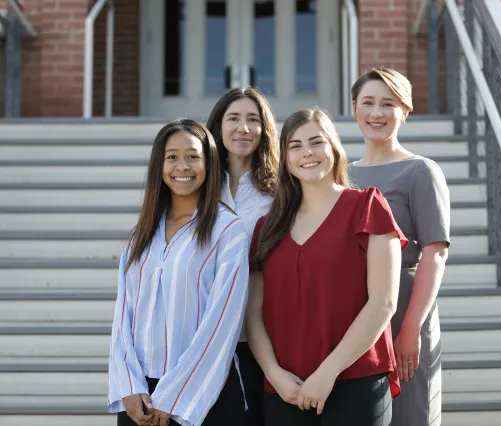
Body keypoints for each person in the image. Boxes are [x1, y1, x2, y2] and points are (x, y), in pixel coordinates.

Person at [246, 108, 408, 426]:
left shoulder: (367, 206)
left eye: (316, 142)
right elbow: (252, 314)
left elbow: (383, 303)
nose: (307, 152)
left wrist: (327, 372)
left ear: (333, 147)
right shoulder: (267, 227)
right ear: (285, 159)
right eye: (295, 145)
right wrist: (273, 374)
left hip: (356, 380)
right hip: (285, 388)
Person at [107, 118, 249, 426]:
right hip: (140, 398)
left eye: (193, 156)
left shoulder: (228, 230)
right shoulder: (141, 235)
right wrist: (128, 386)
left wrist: (175, 394)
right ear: (159, 165)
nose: (181, 166)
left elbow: (222, 323)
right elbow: (123, 317)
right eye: (172, 157)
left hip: (204, 396)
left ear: (209, 164)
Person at [348, 67, 451, 426]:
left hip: (404, 313)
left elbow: (435, 252)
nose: (377, 113)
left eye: (388, 104)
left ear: (405, 111)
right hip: (351, 319)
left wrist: (410, 328)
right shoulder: (341, 176)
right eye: (369, 103)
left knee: (410, 416)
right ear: (354, 107)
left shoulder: (420, 171)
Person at [206, 87, 279, 426]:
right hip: (205, 337)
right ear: (218, 126)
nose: (243, 129)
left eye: (253, 120)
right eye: (233, 119)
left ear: (265, 130)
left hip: (260, 338)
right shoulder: (198, 186)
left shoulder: (281, 191)